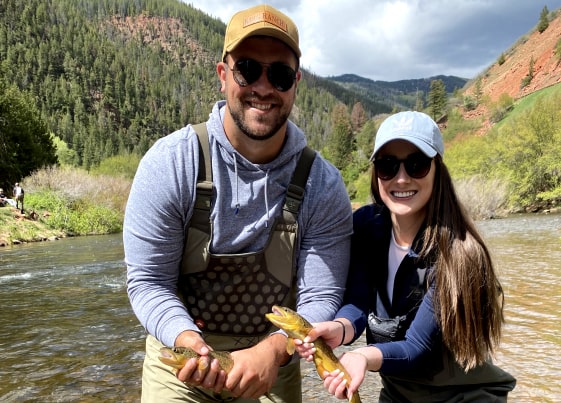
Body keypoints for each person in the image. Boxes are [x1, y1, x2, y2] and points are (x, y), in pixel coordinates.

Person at [123, 4, 353, 403]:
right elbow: (149, 282)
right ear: (223, 74)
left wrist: (272, 350)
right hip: (184, 361)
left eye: (279, 75)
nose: (263, 88)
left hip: (273, 360)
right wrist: (188, 342)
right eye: (247, 69)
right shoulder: (171, 164)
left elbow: (320, 297)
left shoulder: (324, 184)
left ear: (296, 83)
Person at [295, 111, 516, 402]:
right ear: (376, 173)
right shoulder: (366, 226)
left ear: (438, 170)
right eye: (387, 165)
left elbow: (416, 347)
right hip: (399, 394)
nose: (401, 178)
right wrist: (341, 328)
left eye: (416, 164)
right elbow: (358, 303)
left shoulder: (460, 253)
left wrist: (361, 356)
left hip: (464, 396)